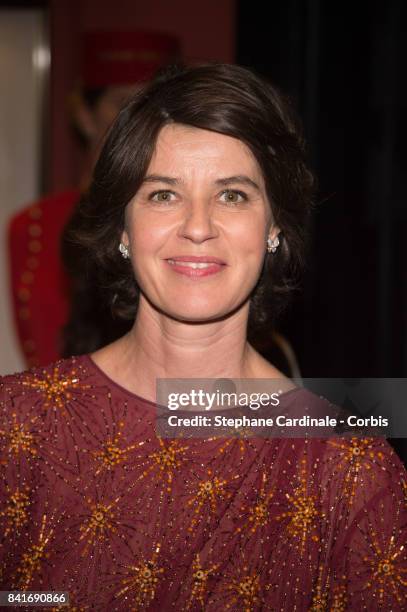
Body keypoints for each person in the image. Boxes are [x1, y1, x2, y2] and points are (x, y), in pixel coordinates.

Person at [1, 64, 406, 610]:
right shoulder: (18, 428)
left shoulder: (348, 469)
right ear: (123, 226)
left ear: (274, 228)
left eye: (233, 195)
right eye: (163, 195)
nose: (197, 226)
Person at [8, 30, 180, 368]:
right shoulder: (37, 226)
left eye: (148, 105)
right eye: (121, 103)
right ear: (85, 116)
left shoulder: (183, 220)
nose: (136, 120)